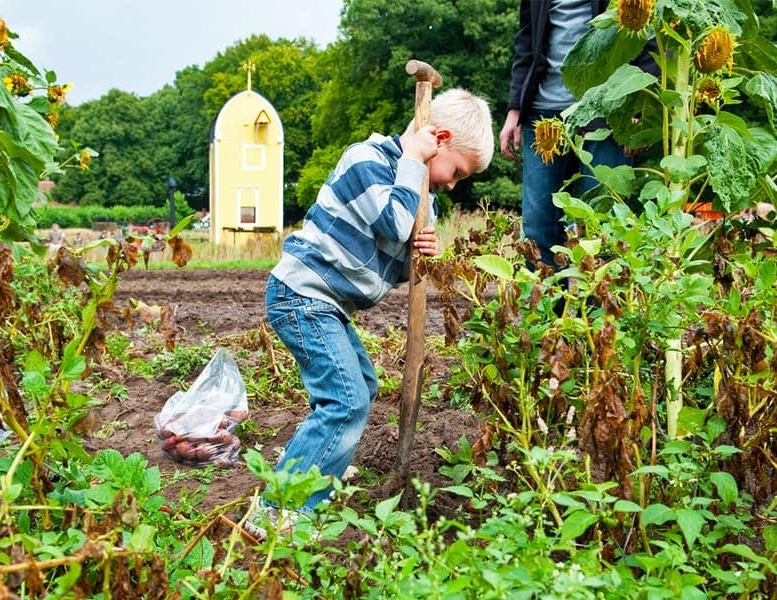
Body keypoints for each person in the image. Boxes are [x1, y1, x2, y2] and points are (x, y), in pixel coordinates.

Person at [248, 87, 495, 539]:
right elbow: (392, 223)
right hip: (300, 294)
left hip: (327, 304)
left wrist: (420, 253)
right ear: (436, 139)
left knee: (360, 385)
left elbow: (393, 262)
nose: (453, 184)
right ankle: (276, 510)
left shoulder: (417, 189)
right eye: (457, 171)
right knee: (345, 400)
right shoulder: (369, 162)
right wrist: (414, 165)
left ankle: (313, 480)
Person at [499, 0, 657, 270]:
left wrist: (639, 106)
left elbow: (648, 36)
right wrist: (516, 107)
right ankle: (547, 311)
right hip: (542, 112)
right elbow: (526, 38)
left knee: (602, 224)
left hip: (606, 112)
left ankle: (600, 312)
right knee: (538, 227)